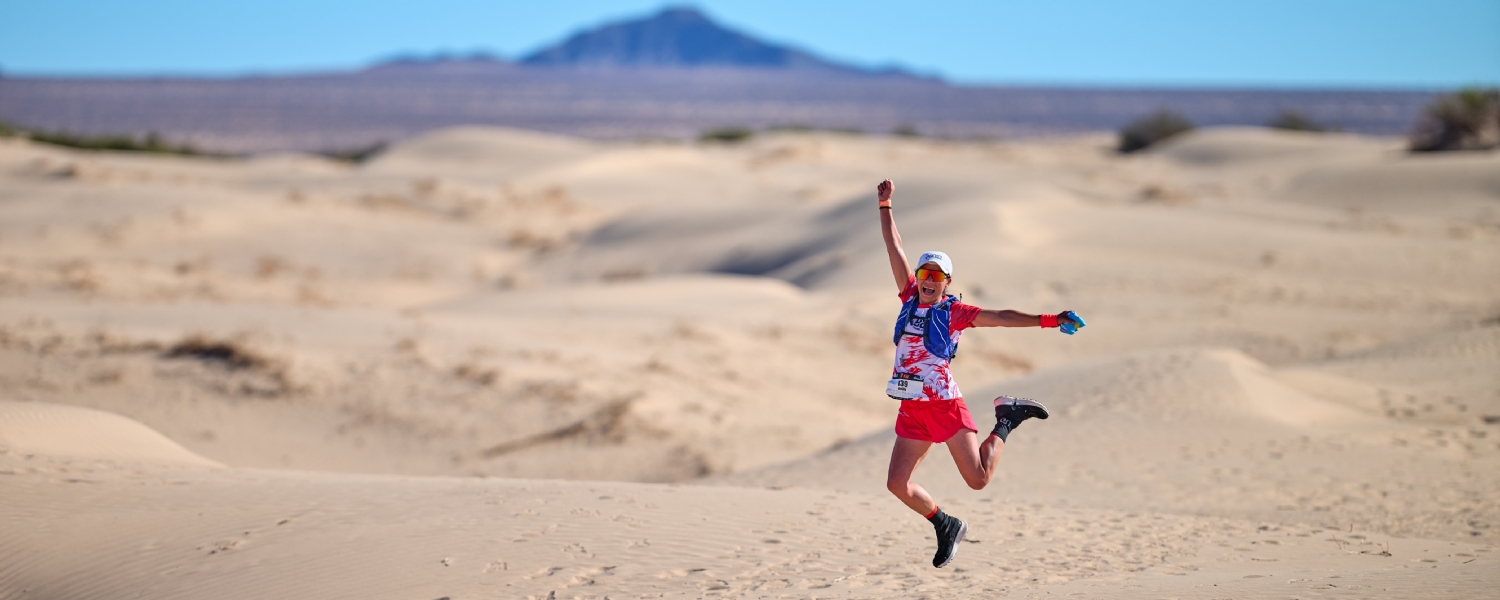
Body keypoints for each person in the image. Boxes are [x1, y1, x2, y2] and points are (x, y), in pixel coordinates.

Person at [875, 179, 1085, 568]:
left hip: (943, 405)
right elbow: (894, 247)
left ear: (947, 283)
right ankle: (945, 524)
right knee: (896, 485)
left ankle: (1006, 418)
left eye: (938, 276)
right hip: (911, 408)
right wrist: (885, 204)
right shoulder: (908, 298)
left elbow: (1003, 317)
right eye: (925, 273)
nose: (929, 280)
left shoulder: (954, 313)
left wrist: (1052, 320)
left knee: (978, 479)